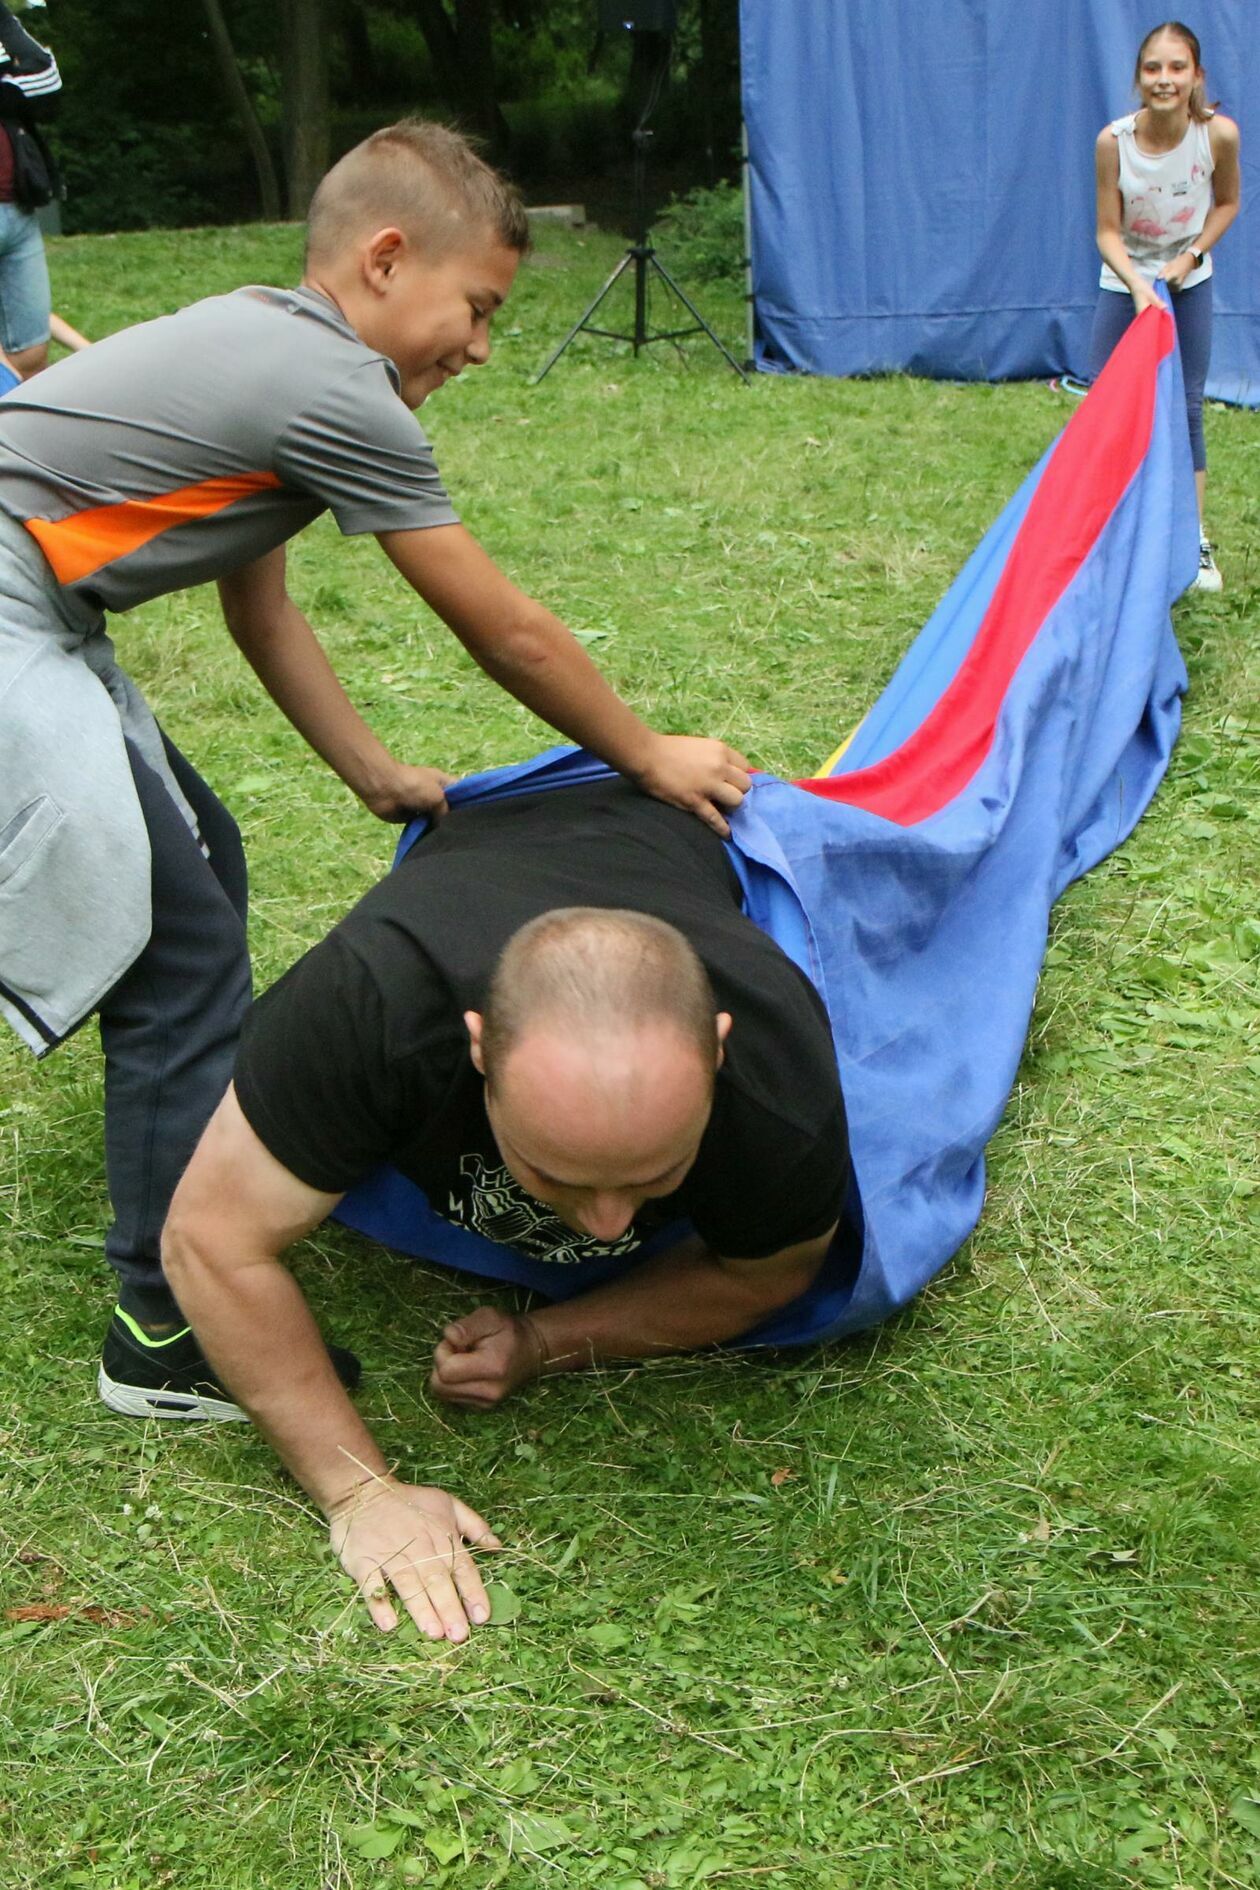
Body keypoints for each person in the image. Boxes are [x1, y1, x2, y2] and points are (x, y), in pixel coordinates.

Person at [0, 123, 751, 1412]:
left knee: (209, 864)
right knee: (177, 950)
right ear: (388, 259)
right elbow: (498, 624)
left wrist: (370, 770)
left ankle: (219, 1163)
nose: (479, 345)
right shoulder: (334, 387)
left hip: (46, 610)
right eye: (477, 307)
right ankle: (168, 1324)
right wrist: (645, 752)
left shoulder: (273, 345)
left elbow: (262, 609)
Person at [157, 776, 850, 1640]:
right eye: (558, 1174)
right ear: (476, 1045)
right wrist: (359, 1491)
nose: (606, 1227)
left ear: (719, 1050)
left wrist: (548, 1340)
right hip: (481, 836)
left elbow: (774, 1267)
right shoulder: (373, 1004)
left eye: (653, 1175)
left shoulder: (778, 1064)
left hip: (665, 832)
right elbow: (210, 1241)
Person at [1089, 20, 1240, 592]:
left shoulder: (1217, 136)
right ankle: (1103, 529)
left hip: (1188, 280)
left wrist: (1190, 257)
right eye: (1153, 67)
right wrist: (1135, 282)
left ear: (1197, 76)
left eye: (1178, 67)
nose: (1164, 79)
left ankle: (1194, 541)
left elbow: (1226, 204)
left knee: (1187, 405)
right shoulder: (1114, 142)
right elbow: (1107, 231)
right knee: (1105, 402)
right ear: (1138, 77)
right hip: (1125, 278)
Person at [0, 0, 61, 380]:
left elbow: (48, 81)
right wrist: (9, 81)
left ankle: (19, 437)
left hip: (17, 208)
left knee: (33, 354)